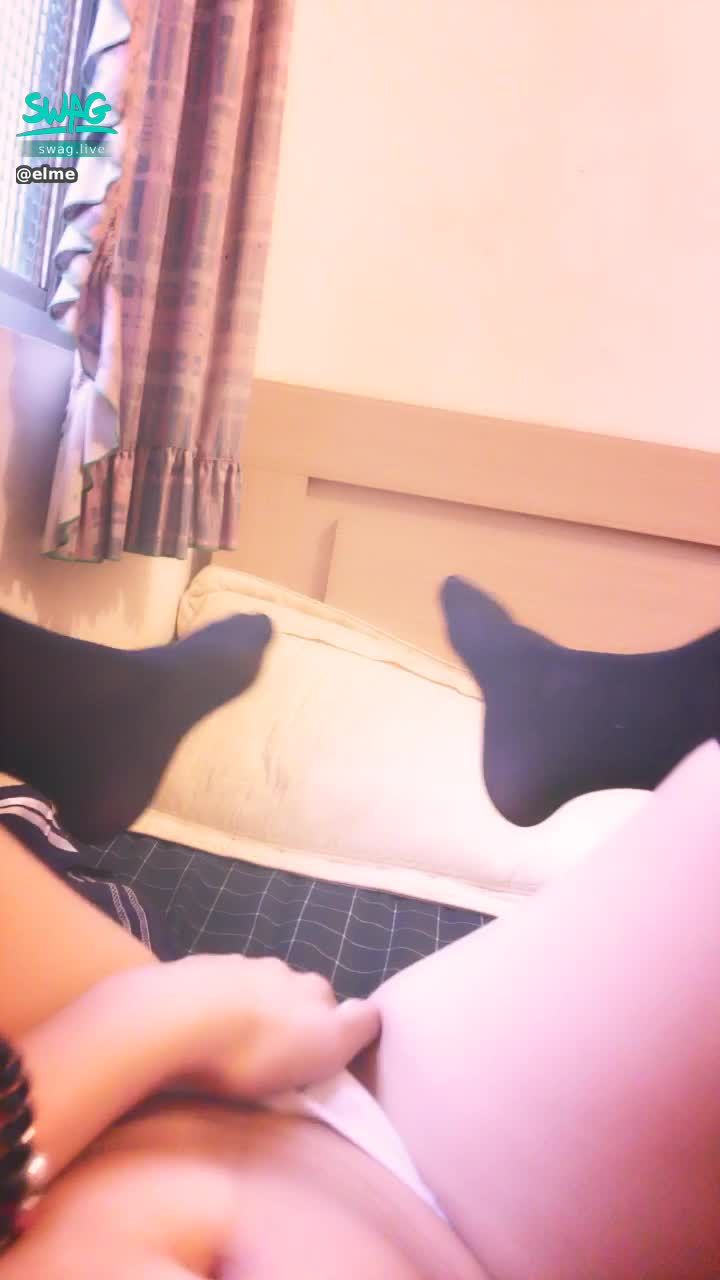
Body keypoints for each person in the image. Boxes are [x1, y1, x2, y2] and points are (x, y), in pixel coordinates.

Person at [1, 589, 720, 1278]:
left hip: (129, 1067)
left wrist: (156, 1022)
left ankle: (90, 713)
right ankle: (580, 706)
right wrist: (172, 1014)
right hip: (449, 1197)